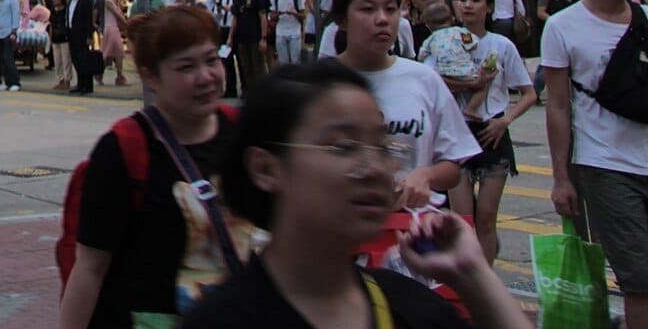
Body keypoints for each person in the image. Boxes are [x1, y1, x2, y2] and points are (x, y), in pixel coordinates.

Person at [183, 60, 530, 329]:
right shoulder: (225, 320)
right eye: (342, 146)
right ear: (265, 168)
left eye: (380, 146)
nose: (375, 168)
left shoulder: (408, 306)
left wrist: (472, 273)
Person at [59, 6, 250, 329]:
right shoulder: (124, 148)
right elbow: (90, 269)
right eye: (186, 66)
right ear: (150, 75)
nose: (205, 76)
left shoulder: (244, 133)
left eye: (212, 60)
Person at [541, 0, 648, 329]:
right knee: (640, 280)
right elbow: (558, 107)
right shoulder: (562, 26)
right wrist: (561, 178)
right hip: (605, 166)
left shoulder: (644, 19)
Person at [325, 0, 476, 210]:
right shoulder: (319, 83)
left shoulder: (424, 78)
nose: (382, 19)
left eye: (390, 9)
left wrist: (426, 175)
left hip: (413, 228)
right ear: (342, 19)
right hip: (340, 229)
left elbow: (452, 167)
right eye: (367, 9)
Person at [419, 0, 535, 263]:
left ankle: (486, 280)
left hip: (491, 134)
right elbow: (428, 81)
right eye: (464, 0)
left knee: (485, 219)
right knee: (463, 220)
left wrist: (504, 121)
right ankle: (469, 284)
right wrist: (470, 82)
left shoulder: (501, 45)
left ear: (490, 8)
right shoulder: (440, 40)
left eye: (476, 0)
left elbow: (529, 93)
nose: (468, 5)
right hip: (456, 137)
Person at [228, 0, 270, 92]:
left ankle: (261, 93)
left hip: (255, 36)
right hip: (241, 37)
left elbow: (262, 17)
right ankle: (250, 92)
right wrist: (230, 37)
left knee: (258, 67)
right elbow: (235, 17)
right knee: (246, 67)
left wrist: (263, 38)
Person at [68, 0, 99, 95]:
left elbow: (88, 20)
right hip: (72, 35)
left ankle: (87, 85)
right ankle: (80, 83)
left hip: (82, 35)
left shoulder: (85, 1)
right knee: (76, 60)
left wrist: (89, 36)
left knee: (84, 60)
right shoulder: (70, 2)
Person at [0, 0, 23, 92]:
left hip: (8, 33)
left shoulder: (11, 0)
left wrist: (14, 31)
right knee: (2, 60)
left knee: (8, 58)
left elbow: (15, 16)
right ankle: (7, 81)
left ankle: (15, 82)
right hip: (0, 34)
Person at [272, 0, 307, 67]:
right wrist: (277, 14)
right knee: (283, 61)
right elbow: (272, 16)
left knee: (295, 60)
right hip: (281, 31)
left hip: (294, 31)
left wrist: (294, 13)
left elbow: (303, 15)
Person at [98, 0, 127, 87]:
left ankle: (118, 76)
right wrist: (126, 23)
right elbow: (117, 14)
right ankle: (100, 73)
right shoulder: (108, 0)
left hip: (113, 28)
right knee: (109, 54)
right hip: (111, 28)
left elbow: (119, 10)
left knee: (115, 53)